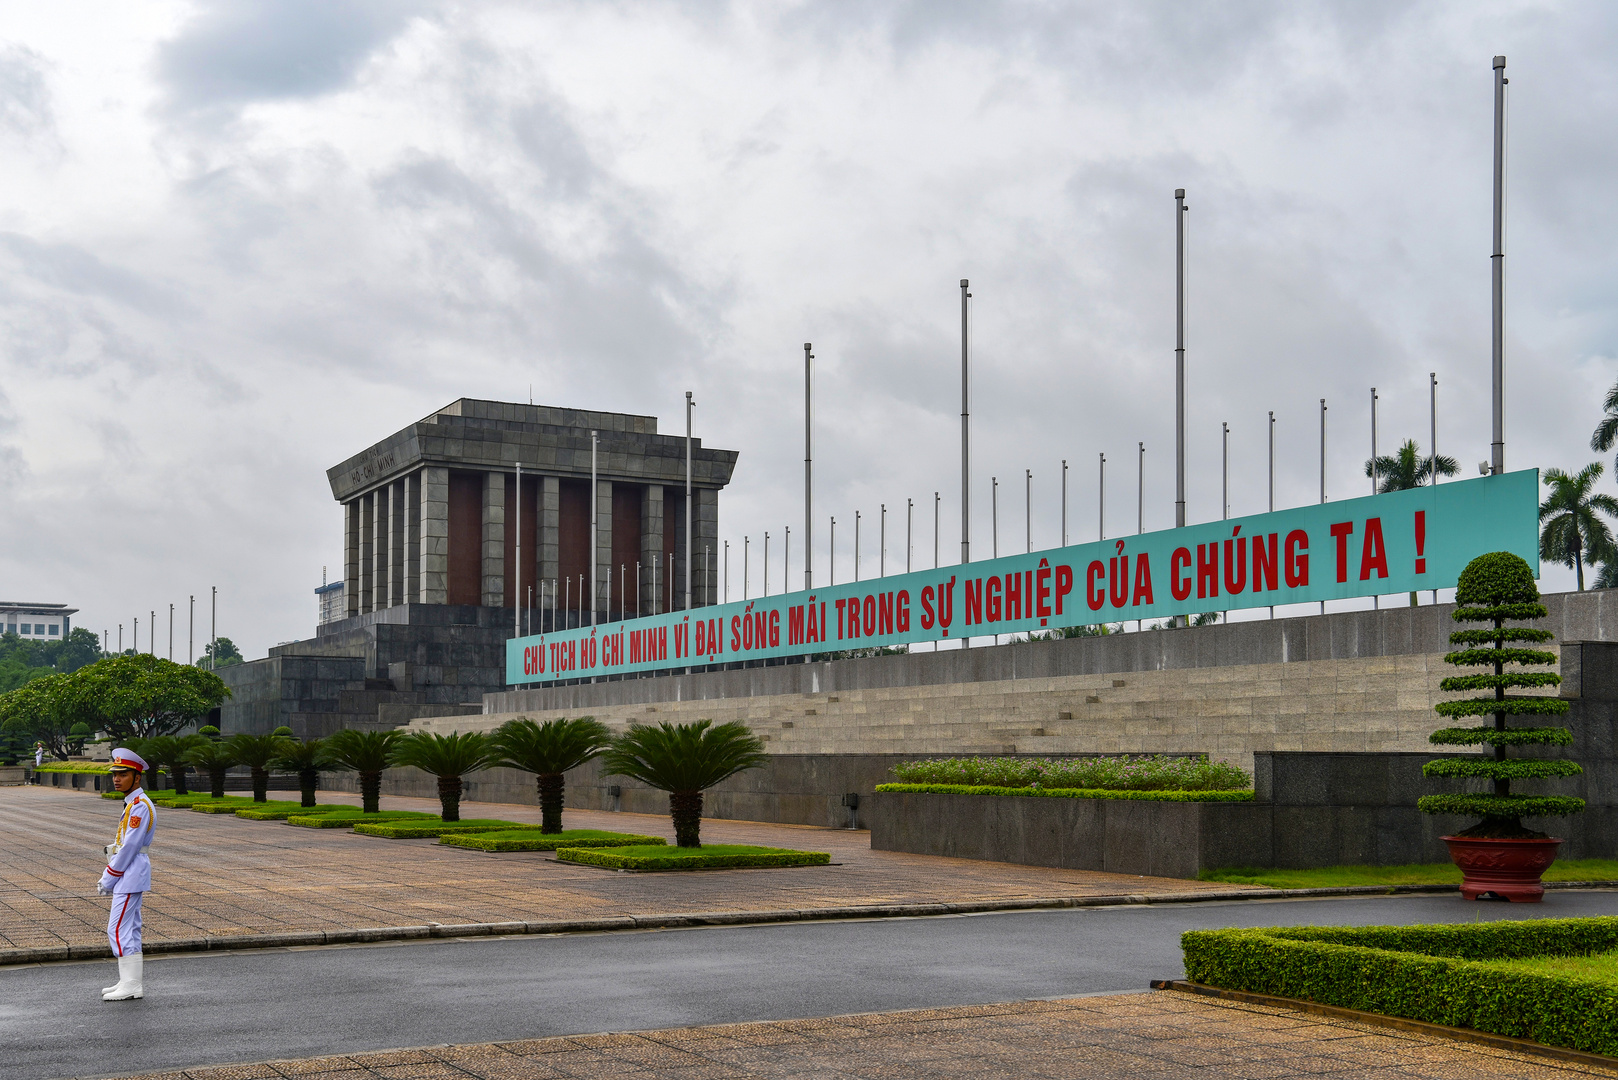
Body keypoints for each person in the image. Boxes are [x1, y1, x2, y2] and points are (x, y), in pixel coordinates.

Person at [98, 748, 155, 1001]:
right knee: (129, 927)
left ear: (137, 777)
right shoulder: (133, 803)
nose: (116, 779)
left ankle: (131, 984)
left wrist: (109, 876)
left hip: (130, 872)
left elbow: (130, 846)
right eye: (115, 774)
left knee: (117, 927)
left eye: (123, 774)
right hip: (130, 871)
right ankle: (129, 981)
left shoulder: (140, 806)